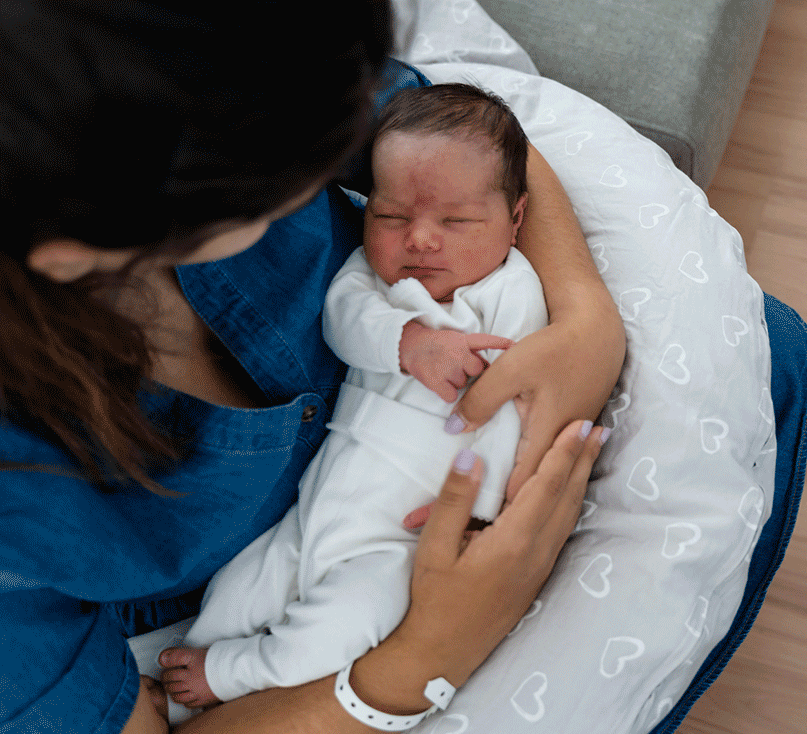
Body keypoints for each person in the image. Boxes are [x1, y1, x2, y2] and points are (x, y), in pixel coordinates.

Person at [0, 3, 624, 733]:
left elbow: (454, 140)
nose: (387, 215)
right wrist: (432, 652)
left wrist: (587, 320)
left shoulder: (223, 70)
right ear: (76, 246)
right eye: (284, 178)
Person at [159, 82, 561, 718]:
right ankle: (195, 676)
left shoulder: (513, 292)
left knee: (346, 625)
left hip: (397, 539)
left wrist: (479, 511)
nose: (420, 240)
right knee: (240, 590)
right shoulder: (372, 276)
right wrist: (410, 342)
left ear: (515, 219)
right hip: (315, 508)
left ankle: (241, 672)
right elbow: (342, 320)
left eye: (456, 221)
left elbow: (523, 409)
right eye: (391, 216)